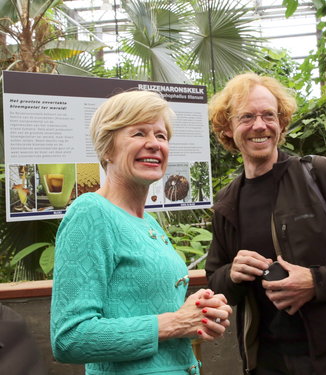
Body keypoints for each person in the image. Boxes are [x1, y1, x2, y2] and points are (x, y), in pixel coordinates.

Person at [205, 73, 326, 375]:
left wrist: (315, 282)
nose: (259, 125)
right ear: (227, 129)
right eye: (246, 117)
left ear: (281, 124)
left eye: (269, 115)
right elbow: (216, 281)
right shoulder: (228, 201)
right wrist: (231, 274)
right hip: (268, 362)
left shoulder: (318, 174)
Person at [50, 90, 232, 375]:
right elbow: (70, 338)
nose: (154, 144)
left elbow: (153, 311)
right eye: (138, 133)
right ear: (107, 148)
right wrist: (176, 323)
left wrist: (199, 314)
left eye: (161, 136)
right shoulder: (91, 213)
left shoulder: (149, 222)